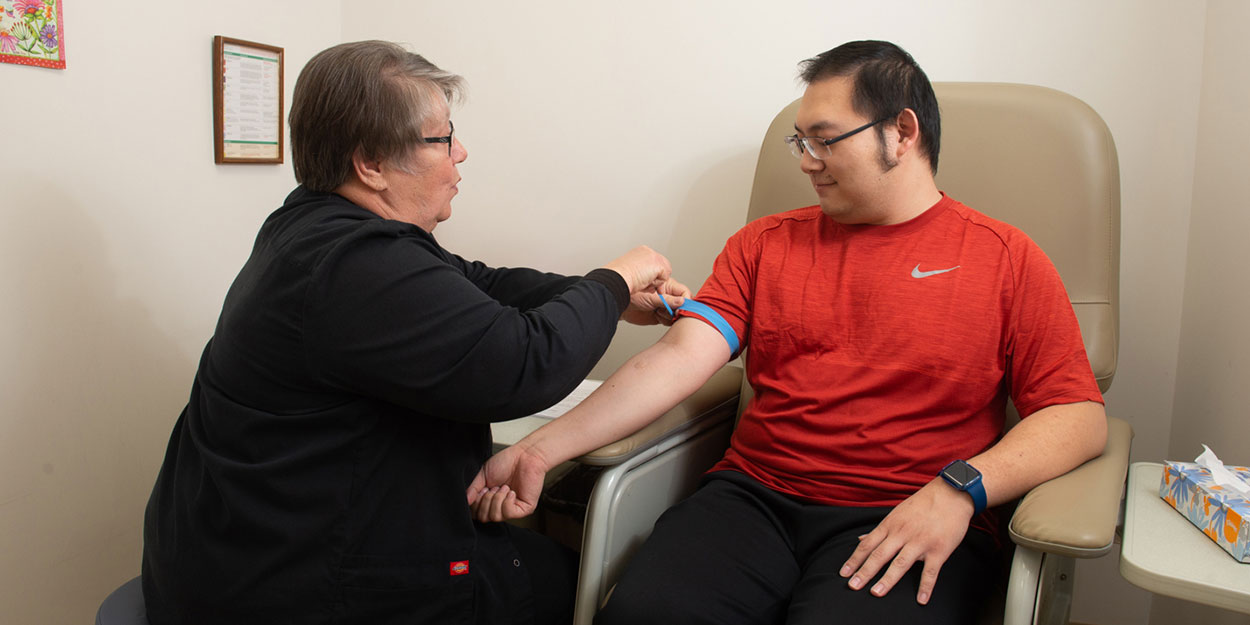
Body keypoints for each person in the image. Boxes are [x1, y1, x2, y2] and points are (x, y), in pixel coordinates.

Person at [468, 40, 1108, 624]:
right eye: (799, 142)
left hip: (908, 510)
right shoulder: (765, 245)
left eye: (825, 140)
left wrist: (961, 490)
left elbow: (1077, 413)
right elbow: (677, 362)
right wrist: (540, 451)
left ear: (902, 132)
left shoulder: (1005, 258)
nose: (807, 162)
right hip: (754, 500)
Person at [141, 40, 689, 625]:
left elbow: (478, 282)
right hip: (294, 586)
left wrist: (609, 298)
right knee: (570, 582)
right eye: (442, 138)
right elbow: (526, 365)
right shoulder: (354, 266)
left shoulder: (319, 228)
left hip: (246, 552)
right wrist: (612, 280)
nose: (462, 152)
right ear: (370, 164)